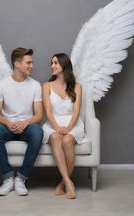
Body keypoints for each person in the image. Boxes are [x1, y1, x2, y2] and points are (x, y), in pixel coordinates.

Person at [0, 47, 43, 196]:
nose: (32, 66)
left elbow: (39, 115)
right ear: (17, 64)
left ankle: (21, 178)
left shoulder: (35, 85)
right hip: (7, 127)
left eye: (32, 62)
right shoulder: (2, 85)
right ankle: (8, 178)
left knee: (38, 132)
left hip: (27, 128)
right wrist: (8, 123)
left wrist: (25, 123)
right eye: (28, 62)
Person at [42, 53, 85, 199]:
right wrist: (57, 127)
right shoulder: (46, 86)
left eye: (55, 63)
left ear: (64, 65)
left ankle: (62, 183)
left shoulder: (77, 87)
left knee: (67, 141)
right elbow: (48, 112)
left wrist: (69, 127)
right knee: (55, 138)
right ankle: (68, 182)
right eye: (51, 63)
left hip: (73, 124)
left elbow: (76, 112)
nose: (52, 66)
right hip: (53, 123)